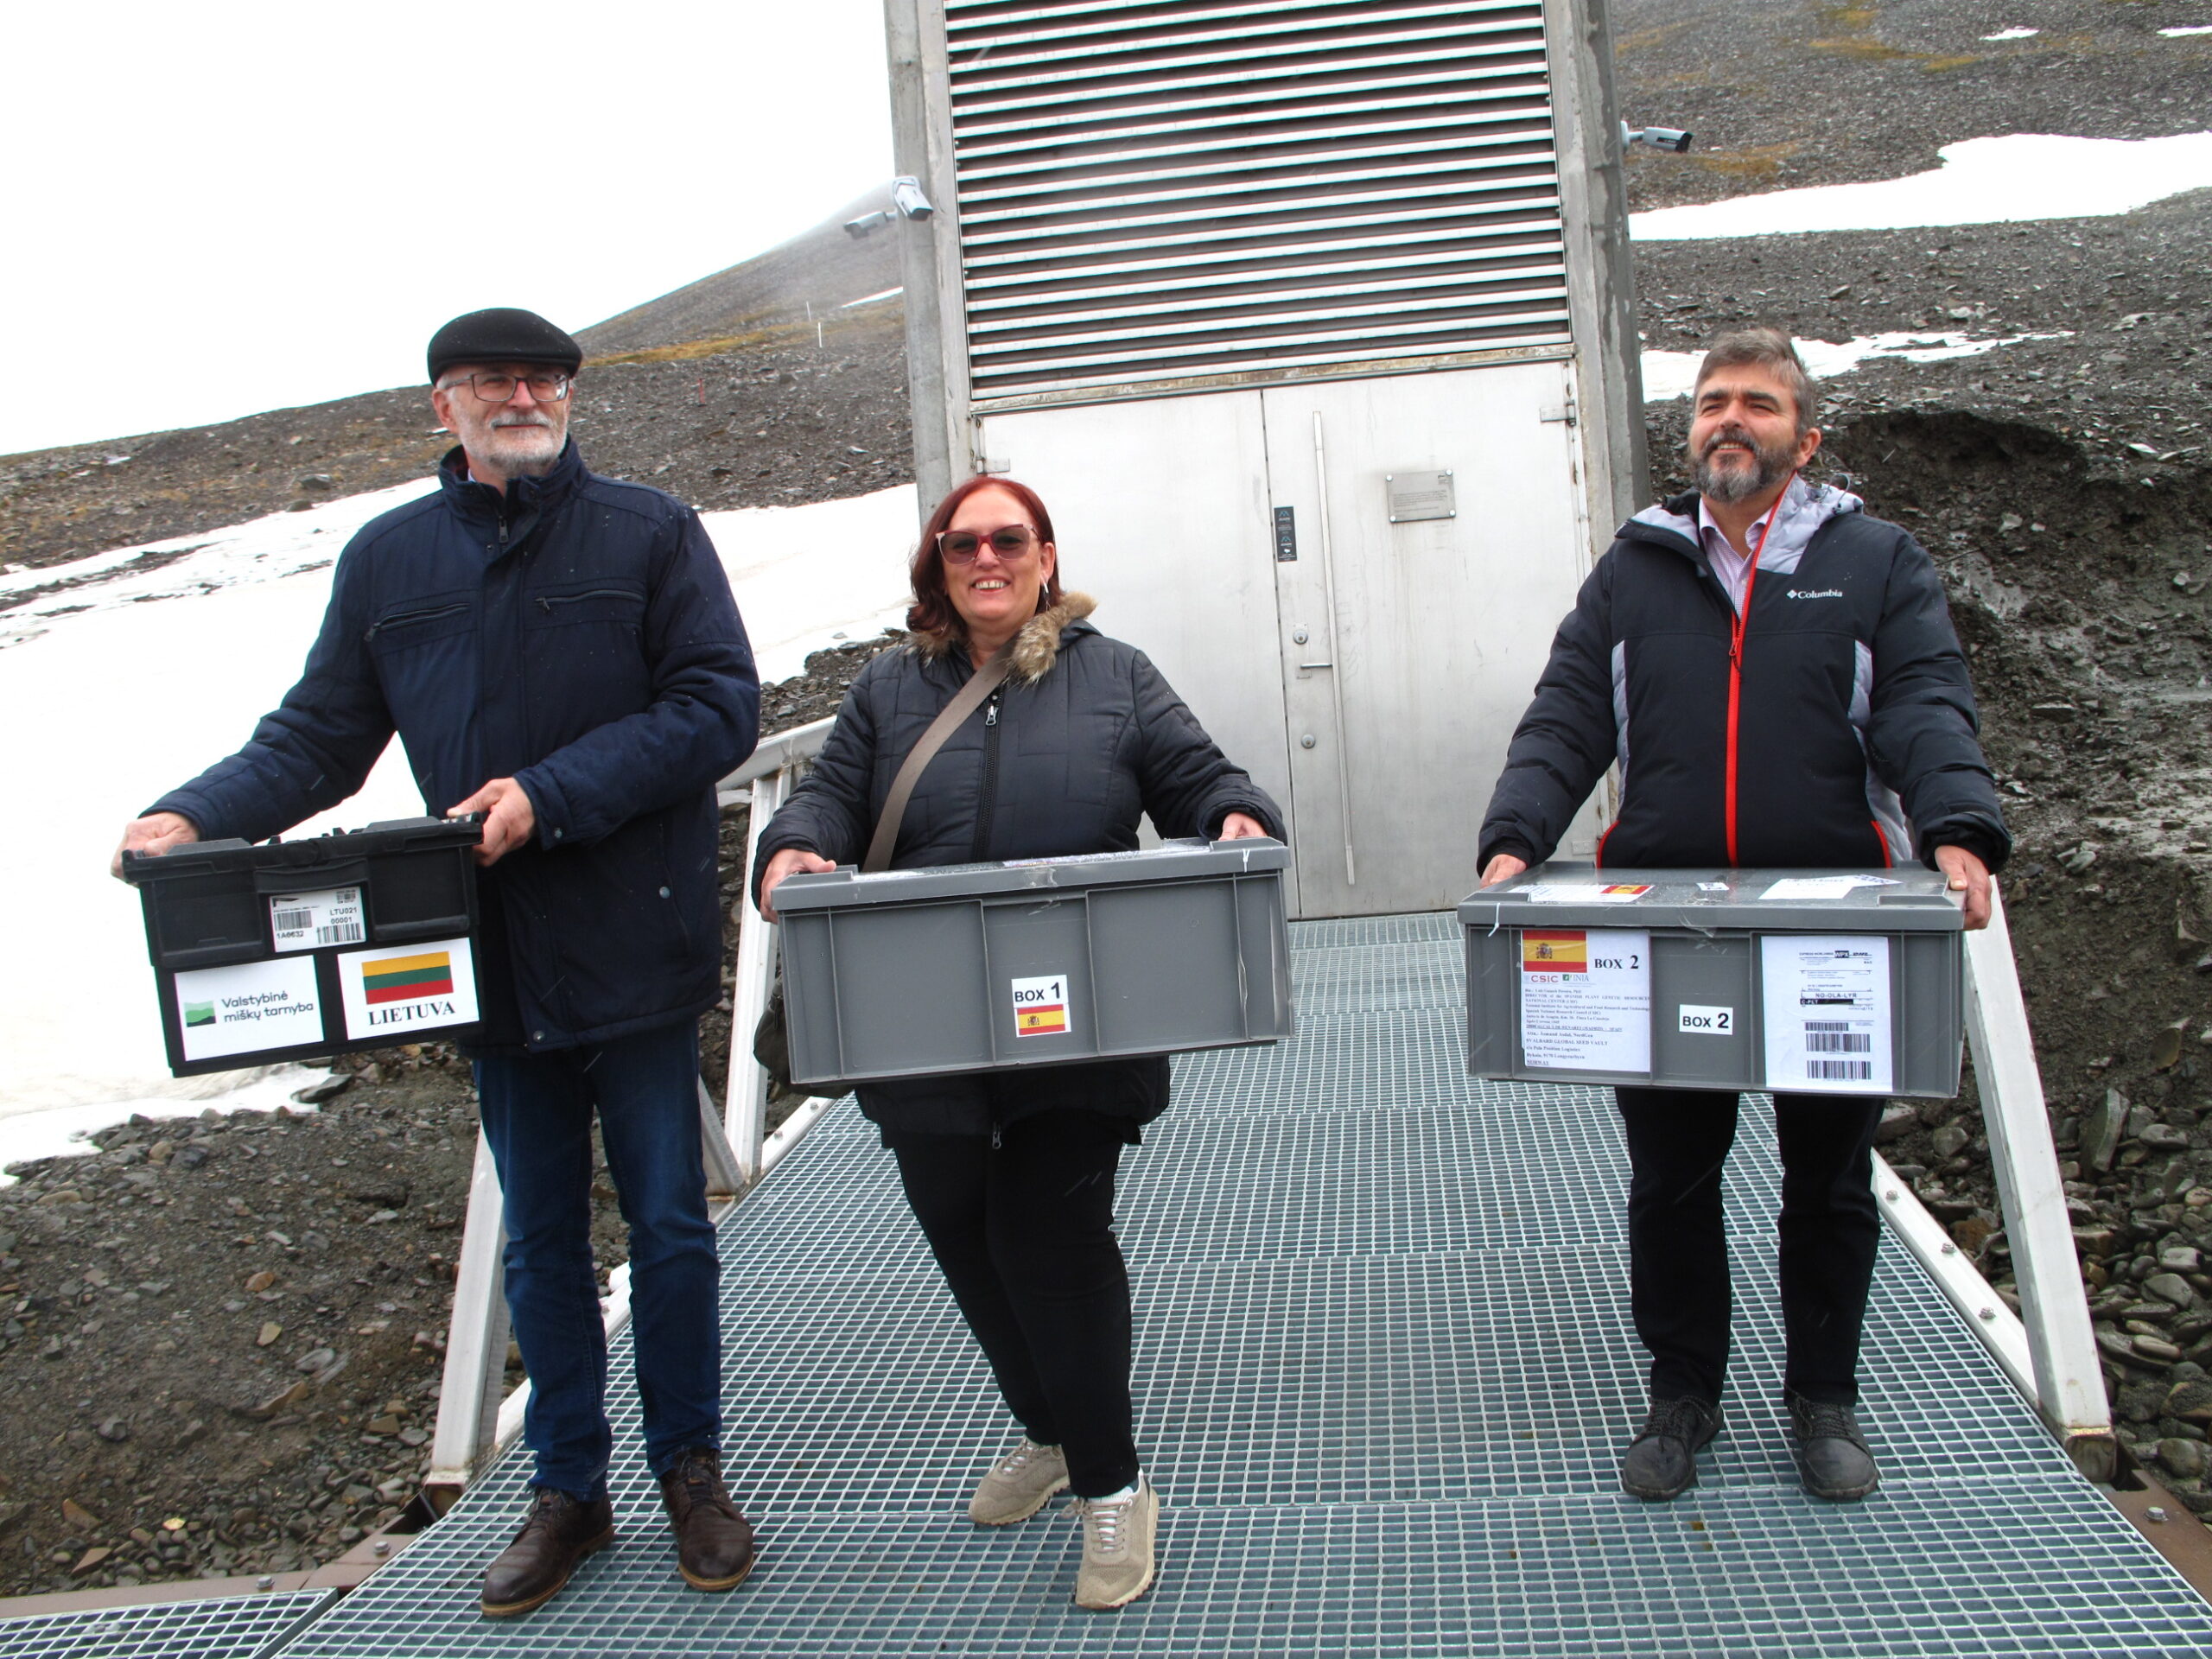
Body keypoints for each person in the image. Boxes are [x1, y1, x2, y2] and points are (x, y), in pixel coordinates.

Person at [111, 308, 762, 1617]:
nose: (522, 395)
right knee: (538, 1242)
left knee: (670, 1223)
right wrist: (194, 814)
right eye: (491, 381)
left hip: (634, 939)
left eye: (543, 377)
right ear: (443, 408)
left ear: (569, 395)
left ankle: (692, 1471)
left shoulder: (649, 531)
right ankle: (568, 1494)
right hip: (489, 963)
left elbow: (714, 705)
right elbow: (319, 734)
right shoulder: (390, 558)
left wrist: (548, 793)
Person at [1476, 327, 2008, 1504]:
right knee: (1672, 1176)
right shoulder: (1634, 569)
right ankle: (1684, 1393)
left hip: (1836, 927)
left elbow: (1925, 703)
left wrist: (1959, 826)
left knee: (1828, 1178)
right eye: (1714, 400)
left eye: (1758, 403)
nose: (1730, 419)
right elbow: (1568, 716)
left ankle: (1825, 1397)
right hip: (1663, 930)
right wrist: (1515, 838)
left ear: (1803, 438)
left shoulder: (1875, 561)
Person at [753, 475, 1282, 1610]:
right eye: (961, 543)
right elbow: (831, 798)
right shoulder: (889, 690)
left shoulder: (1117, 675)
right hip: (926, 1020)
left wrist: (1235, 814)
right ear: (936, 565)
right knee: (963, 1232)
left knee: (1049, 1233)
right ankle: (1048, 1432)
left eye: (1007, 539)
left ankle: (1111, 1486)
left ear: (1046, 555)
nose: (984, 557)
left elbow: (1197, 774)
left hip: (1079, 1015)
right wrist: (793, 847)